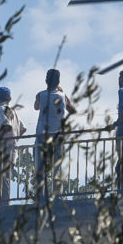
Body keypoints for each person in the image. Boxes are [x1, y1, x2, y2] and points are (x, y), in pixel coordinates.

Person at [34, 68, 76, 201]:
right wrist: (62, 92)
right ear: (58, 81)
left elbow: (36, 107)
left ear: (46, 81)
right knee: (56, 167)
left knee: (40, 166)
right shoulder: (63, 96)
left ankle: (41, 195)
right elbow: (72, 110)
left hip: (42, 135)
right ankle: (57, 196)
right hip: (58, 136)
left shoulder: (40, 95)